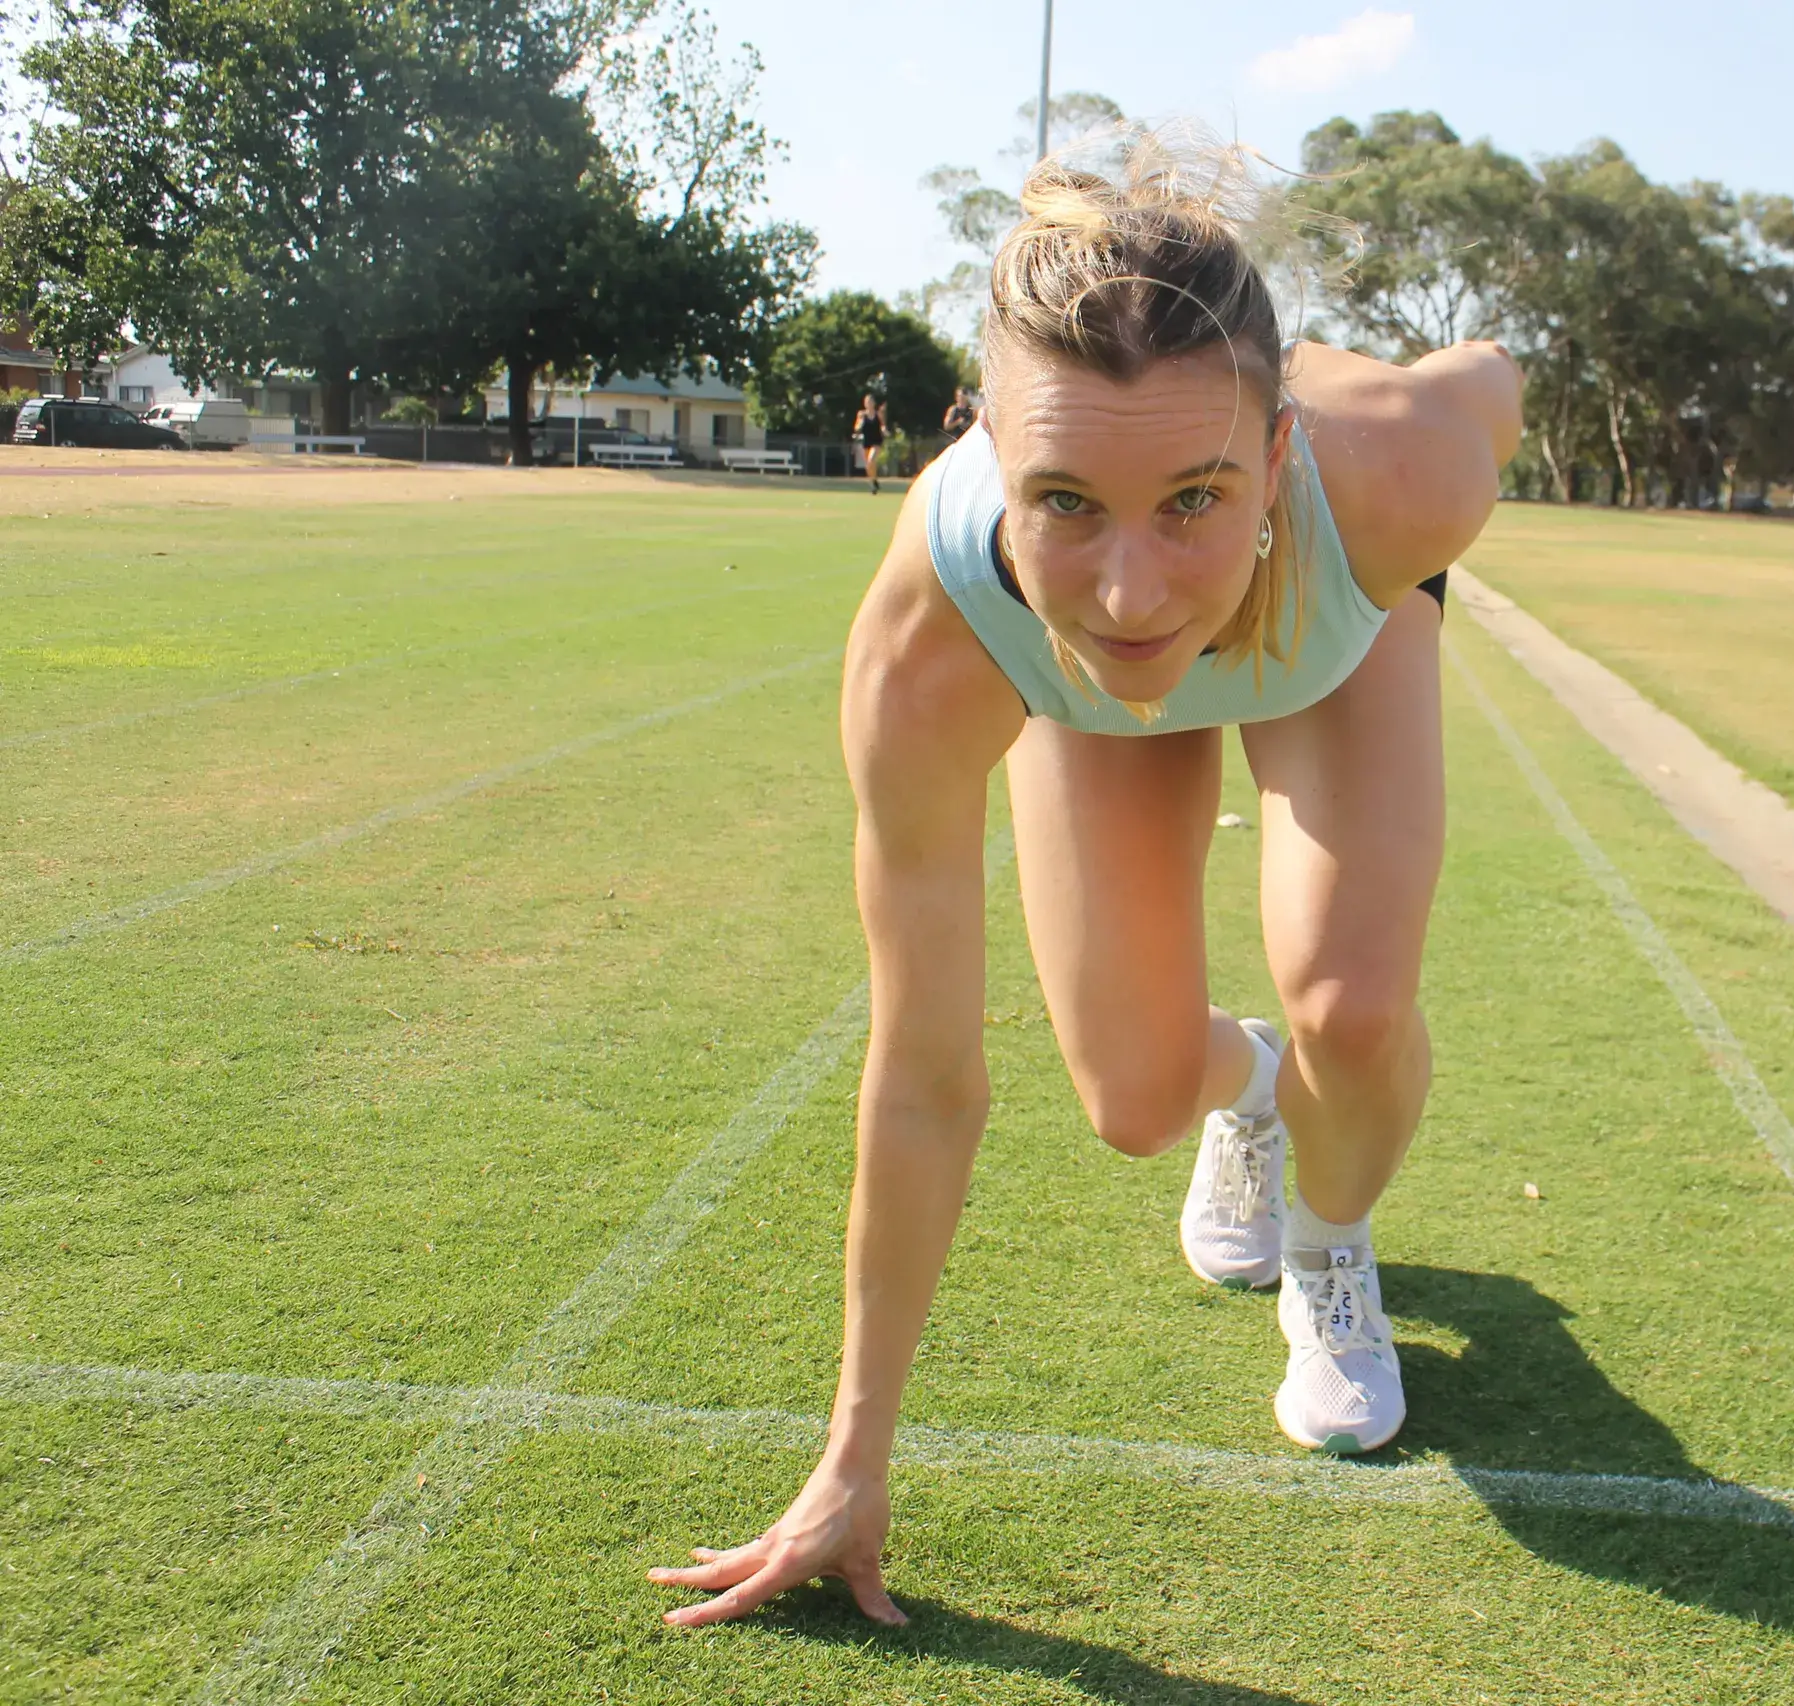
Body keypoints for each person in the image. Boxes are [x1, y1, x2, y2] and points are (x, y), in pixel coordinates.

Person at [650, 138, 1522, 1630]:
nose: (1130, 590)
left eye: (1191, 493)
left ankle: (1324, 1241)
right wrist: (854, 1455)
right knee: (1130, 1097)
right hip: (1074, 685)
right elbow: (924, 1073)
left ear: (1277, 452)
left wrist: (1289, 434)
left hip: (1322, 603)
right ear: (987, 443)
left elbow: (1491, 375)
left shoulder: (1400, 476)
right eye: (1064, 498)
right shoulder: (935, 634)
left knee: (1352, 1005)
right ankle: (1252, 1093)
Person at [855, 392, 889, 492]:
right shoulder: (861, 415)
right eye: (867, 402)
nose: (869, 404)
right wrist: (859, 425)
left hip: (876, 441)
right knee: (868, 466)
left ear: (873, 403)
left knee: (871, 460)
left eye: (870, 402)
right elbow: (856, 427)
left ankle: (874, 482)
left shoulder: (878, 414)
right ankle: (874, 482)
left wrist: (884, 430)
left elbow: (882, 425)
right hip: (866, 441)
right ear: (865, 404)